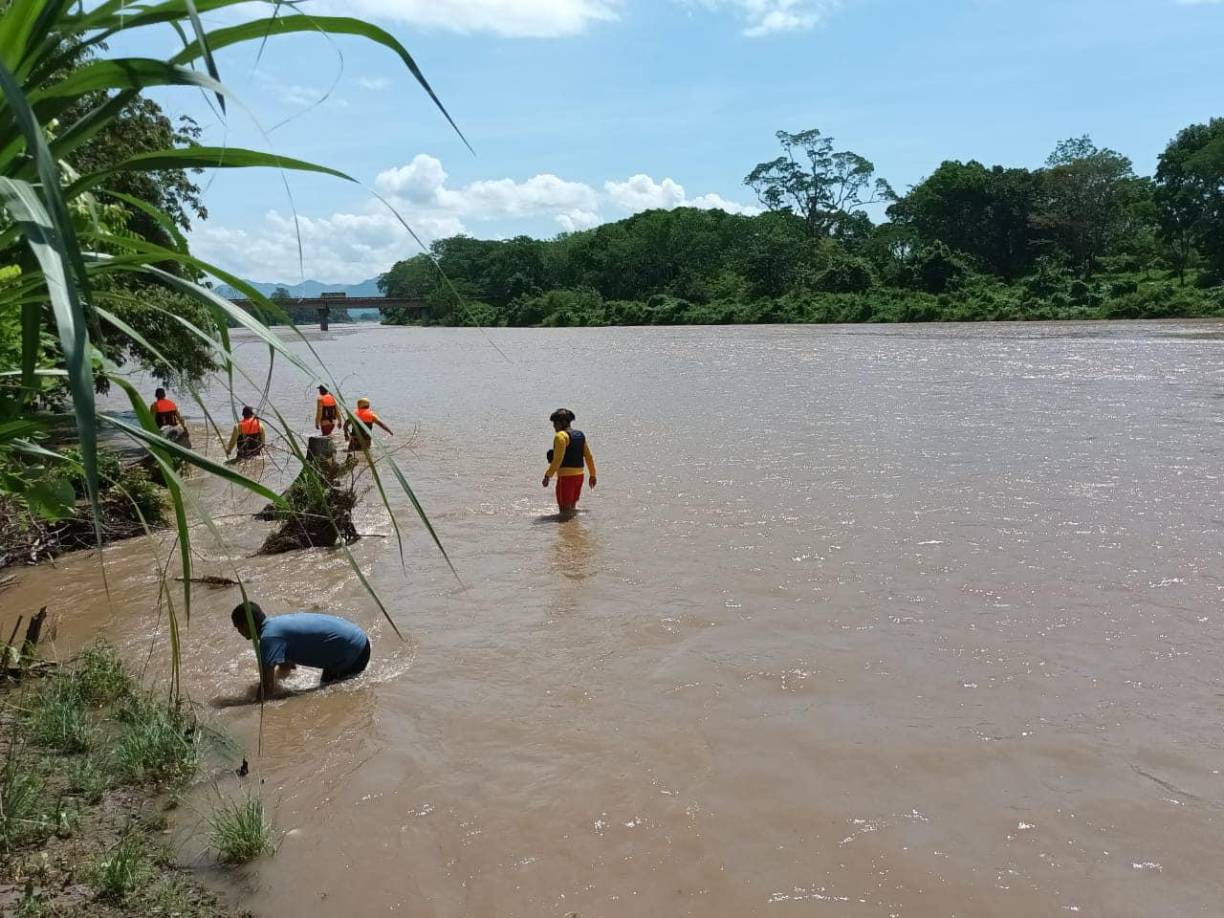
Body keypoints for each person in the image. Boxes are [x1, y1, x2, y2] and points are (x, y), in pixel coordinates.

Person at [231, 602, 371, 697]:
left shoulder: (269, 640)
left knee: (326, 694)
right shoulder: (275, 627)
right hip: (357, 638)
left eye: (237, 627)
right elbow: (287, 666)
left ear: (245, 625)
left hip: (353, 652)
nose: (238, 632)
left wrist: (249, 709)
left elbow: (266, 690)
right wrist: (282, 682)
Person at [542, 408, 596, 513]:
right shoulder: (580, 435)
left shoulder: (560, 436)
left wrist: (547, 476)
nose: (553, 426)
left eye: (555, 423)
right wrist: (593, 475)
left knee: (564, 513)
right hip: (579, 476)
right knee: (572, 509)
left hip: (566, 478)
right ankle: (573, 528)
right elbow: (588, 457)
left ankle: (567, 528)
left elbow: (558, 459)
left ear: (561, 423)